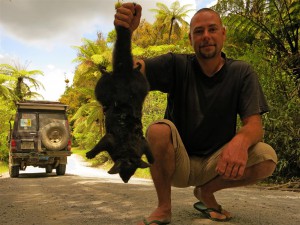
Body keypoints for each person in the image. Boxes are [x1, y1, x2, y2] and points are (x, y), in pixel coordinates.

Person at [114, 3, 278, 225]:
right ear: (190, 39)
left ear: (223, 34)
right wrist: (124, 35)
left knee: (266, 157)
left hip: (218, 165)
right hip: (179, 164)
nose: (206, 36)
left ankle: (206, 192)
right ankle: (164, 207)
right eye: (198, 32)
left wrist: (240, 141)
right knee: (158, 130)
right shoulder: (176, 65)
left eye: (212, 29)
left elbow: (255, 125)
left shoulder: (242, 72)